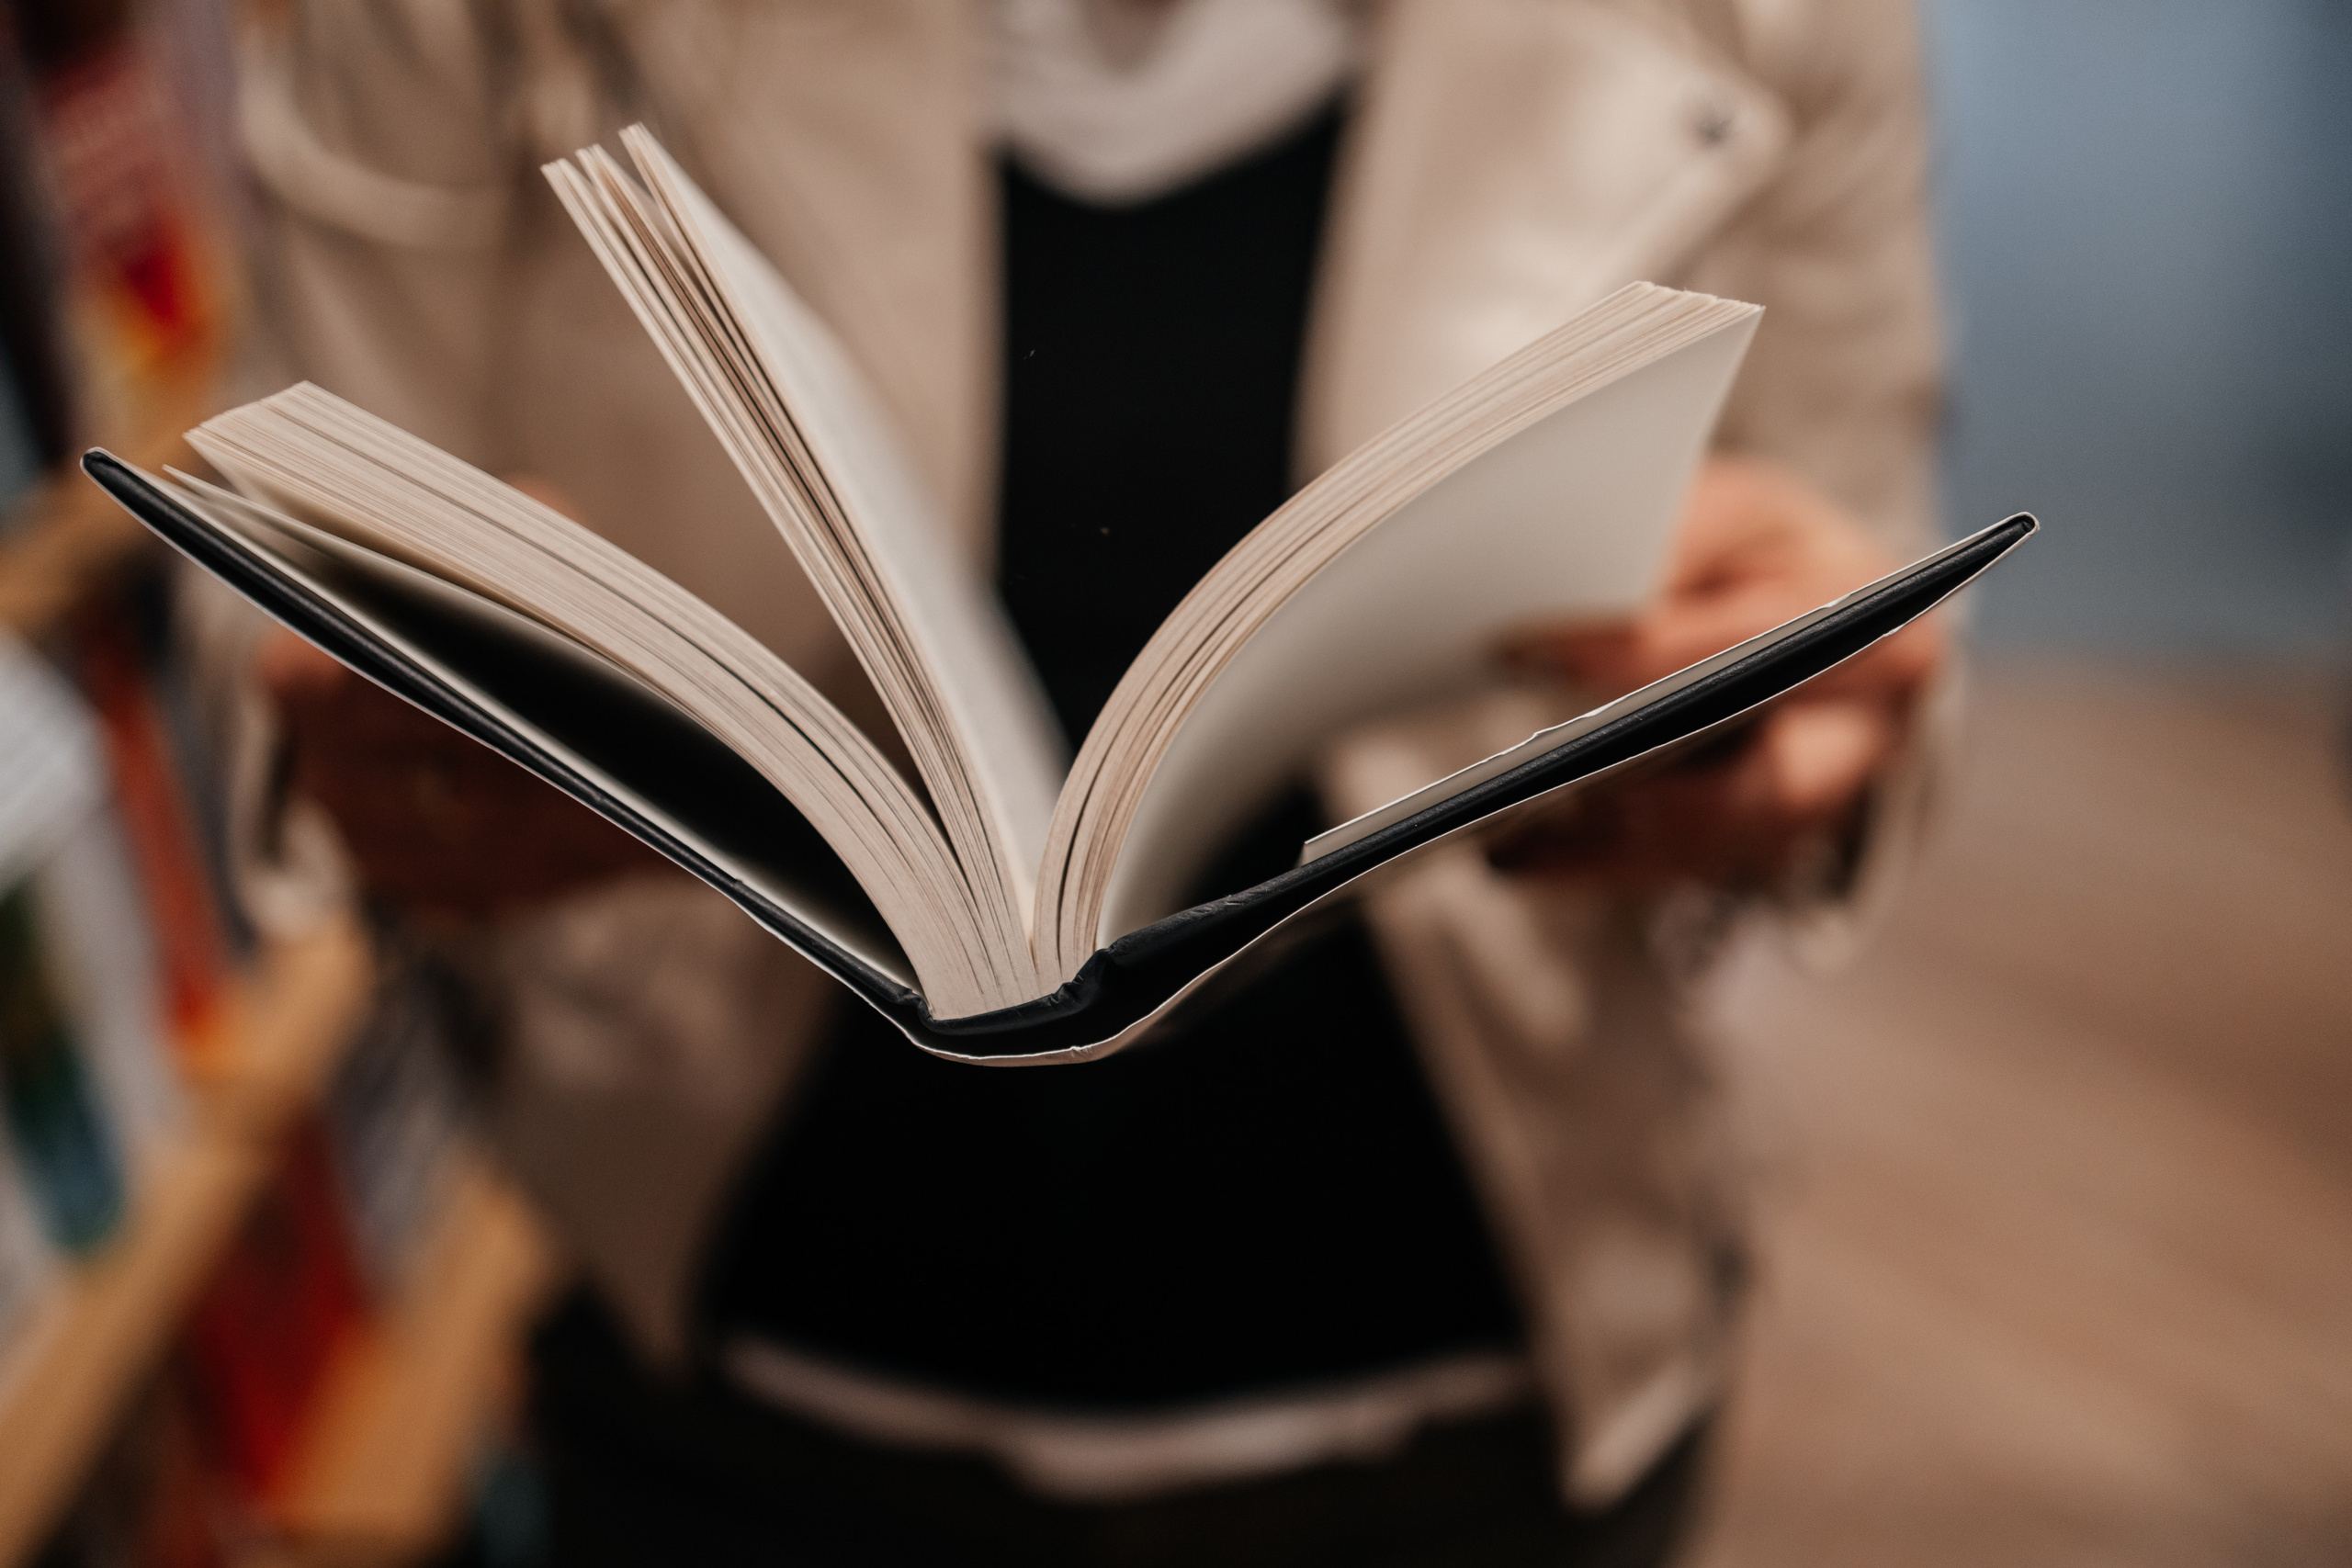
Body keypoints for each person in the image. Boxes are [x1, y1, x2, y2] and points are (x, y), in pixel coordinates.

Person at [201, 1, 1948, 1562]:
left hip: (1490, 1400)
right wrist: (372, 743)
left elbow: (1869, 582)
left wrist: (1818, 720)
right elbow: (280, 563)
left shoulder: (1773, 23)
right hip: (736, 1382)